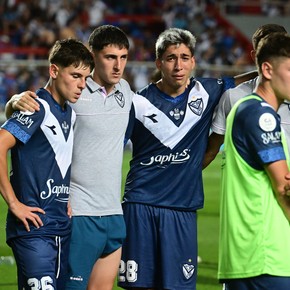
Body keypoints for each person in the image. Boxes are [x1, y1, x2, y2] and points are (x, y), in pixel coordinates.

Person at [118, 27, 255, 290]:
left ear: (193, 61)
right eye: (171, 58)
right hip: (140, 204)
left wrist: (268, 67)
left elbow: (243, 82)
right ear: (159, 63)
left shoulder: (209, 90)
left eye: (184, 57)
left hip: (182, 207)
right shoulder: (138, 103)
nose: (178, 65)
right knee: (139, 286)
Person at [5, 25, 135, 290]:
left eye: (123, 57)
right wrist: (14, 101)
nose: (118, 66)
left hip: (81, 220)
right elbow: (20, 122)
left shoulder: (120, 93)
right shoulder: (61, 100)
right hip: (58, 222)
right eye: (110, 57)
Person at [0, 38, 93, 290]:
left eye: (85, 78)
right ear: (54, 70)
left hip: (62, 227)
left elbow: (58, 160)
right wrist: (14, 203)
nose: (81, 85)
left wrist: (66, 198)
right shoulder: (35, 107)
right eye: (75, 76)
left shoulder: (71, 115)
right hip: (33, 229)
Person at [218, 32, 290, 290]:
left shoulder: (256, 112)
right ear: (267, 69)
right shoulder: (260, 115)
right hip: (265, 255)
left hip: (256, 257)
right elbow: (284, 187)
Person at [203, 23, 289, 168]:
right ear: (255, 56)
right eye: (267, 52)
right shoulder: (234, 97)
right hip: (260, 187)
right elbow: (211, 151)